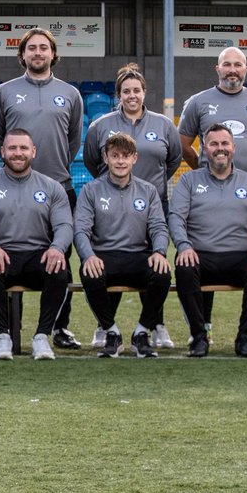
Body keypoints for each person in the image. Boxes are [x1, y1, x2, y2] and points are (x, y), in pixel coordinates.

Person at [0, 28, 84, 349]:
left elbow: (73, 140)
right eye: (32, 48)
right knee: (8, 255)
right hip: (14, 187)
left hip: (58, 187)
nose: (38, 53)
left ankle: (58, 327)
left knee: (59, 257)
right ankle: (4, 328)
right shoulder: (4, 92)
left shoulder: (70, 93)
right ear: (23, 55)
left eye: (44, 48)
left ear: (53, 54)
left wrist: (51, 169)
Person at [178, 46, 247, 344]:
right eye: (227, 65)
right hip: (208, 187)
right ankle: (202, 329)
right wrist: (204, 168)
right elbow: (184, 143)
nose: (232, 69)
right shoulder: (198, 102)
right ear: (217, 68)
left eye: (238, 65)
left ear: (245, 69)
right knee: (203, 247)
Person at [82, 62, 182, 350]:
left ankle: (156, 326)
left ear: (144, 92)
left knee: (153, 260)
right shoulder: (101, 126)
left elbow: (172, 160)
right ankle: (105, 326)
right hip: (110, 201)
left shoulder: (163, 125)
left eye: (136, 90)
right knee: (109, 256)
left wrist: (149, 186)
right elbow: (92, 161)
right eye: (126, 91)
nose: (132, 95)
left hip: (152, 203)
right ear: (119, 95)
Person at [168, 124, 247, 358]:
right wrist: (183, 246)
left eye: (225, 143)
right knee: (184, 266)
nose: (220, 149)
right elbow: (176, 217)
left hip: (240, 256)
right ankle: (198, 337)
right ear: (204, 148)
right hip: (200, 255)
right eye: (214, 144)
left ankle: (245, 338)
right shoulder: (188, 181)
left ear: (233, 148)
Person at [0, 129, 72, 361]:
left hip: (37, 253)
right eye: (12, 148)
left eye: (23, 148)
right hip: (1, 253)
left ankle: (42, 336)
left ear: (33, 152)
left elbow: (65, 225)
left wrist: (57, 247)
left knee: (59, 270)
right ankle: (2, 336)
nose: (18, 153)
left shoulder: (52, 187)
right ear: (2, 151)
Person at [74, 132, 172, 358]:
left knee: (162, 273)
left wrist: (159, 252)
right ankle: (111, 332)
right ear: (106, 158)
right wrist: (88, 256)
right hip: (103, 256)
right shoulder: (91, 190)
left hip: (138, 254)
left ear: (134, 159)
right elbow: (80, 229)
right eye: (115, 155)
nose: (120, 161)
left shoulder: (148, 190)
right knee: (89, 273)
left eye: (125, 156)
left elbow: (159, 227)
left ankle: (141, 333)